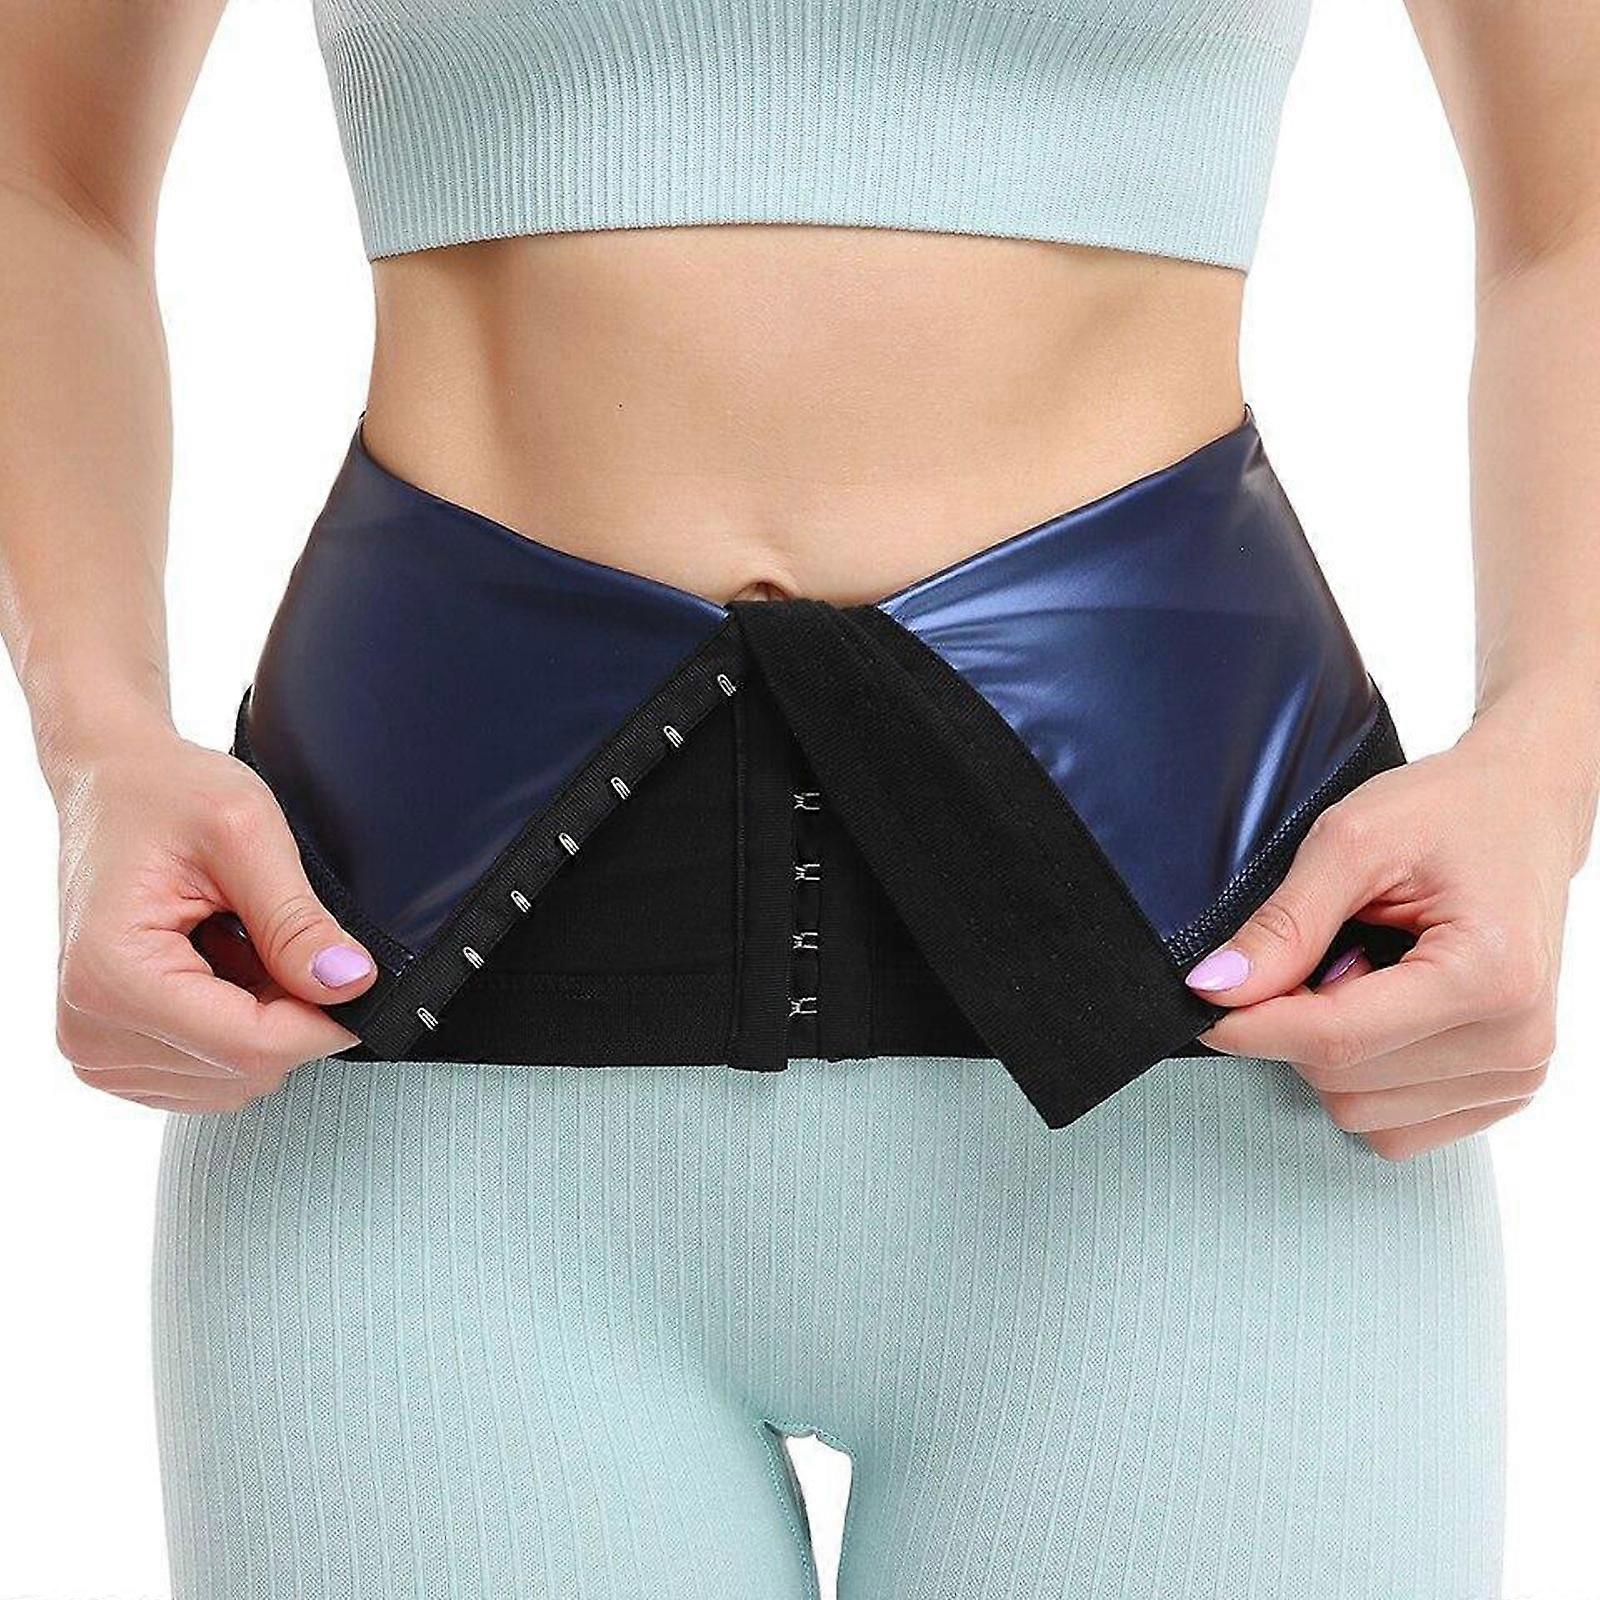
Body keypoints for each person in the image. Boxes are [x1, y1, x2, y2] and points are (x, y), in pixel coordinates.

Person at [2, 2, 1595, 1596]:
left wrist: (1542, 764)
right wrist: (98, 745)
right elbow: (39, 175)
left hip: (1216, 1063)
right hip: (403, 1075)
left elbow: (1573, 207)